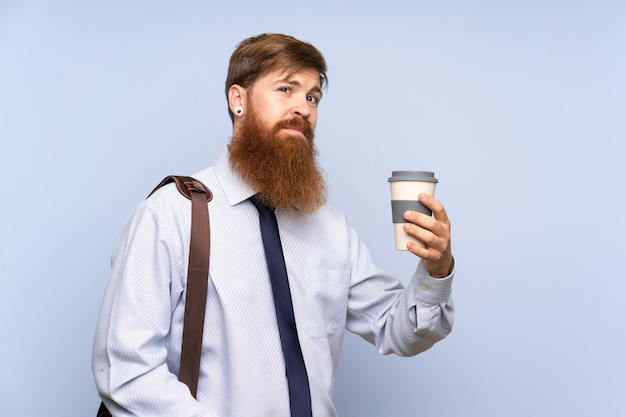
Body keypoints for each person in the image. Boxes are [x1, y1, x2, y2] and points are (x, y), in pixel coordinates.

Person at [92, 33, 455, 417]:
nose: (303, 107)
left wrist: (437, 269)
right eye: (286, 89)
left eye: (312, 97)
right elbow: (126, 371)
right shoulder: (169, 215)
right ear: (238, 100)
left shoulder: (331, 229)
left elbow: (399, 329)